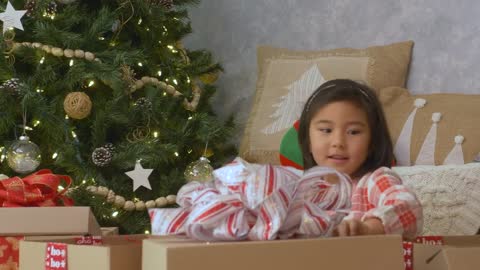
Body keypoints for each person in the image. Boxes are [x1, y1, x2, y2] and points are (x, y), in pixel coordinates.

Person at [297, 79, 423, 239]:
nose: (338, 142)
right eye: (326, 130)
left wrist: (369, 228)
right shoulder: (299, 191)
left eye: (353, 132)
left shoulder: (374, 180)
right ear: (308, 140)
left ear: (372, 142)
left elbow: (408, 207)